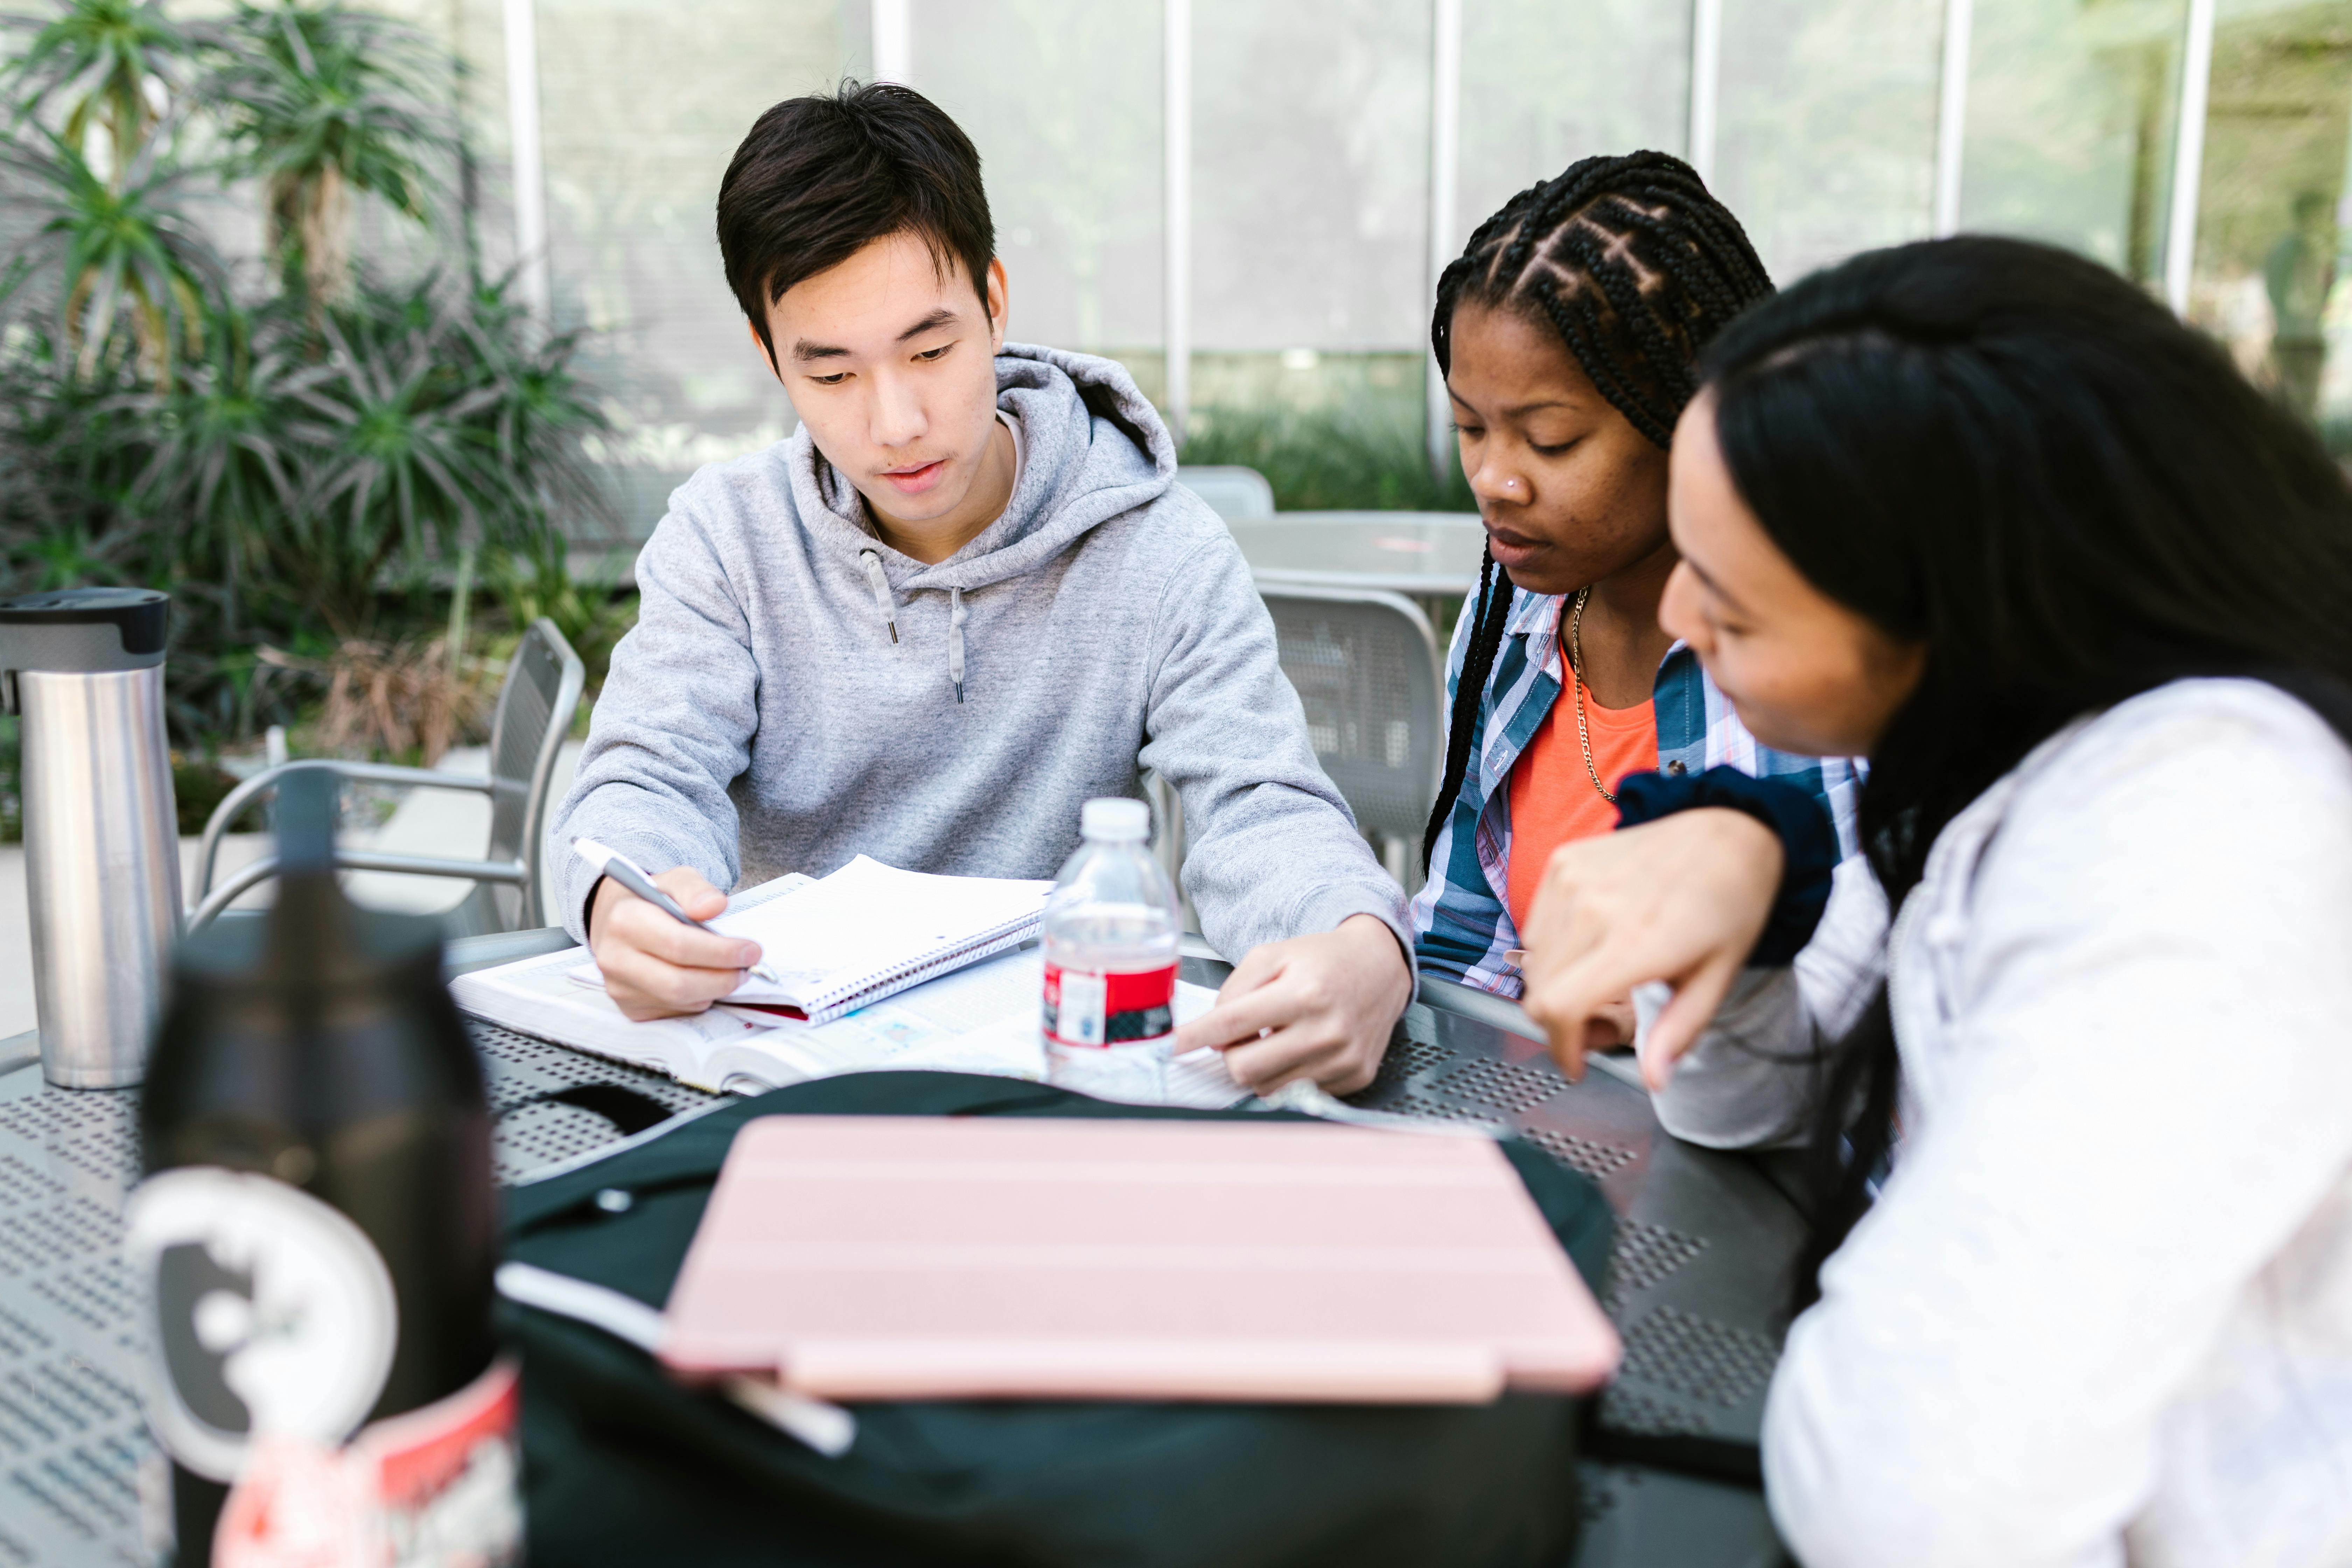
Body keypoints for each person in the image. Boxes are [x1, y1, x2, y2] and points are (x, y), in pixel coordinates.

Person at [1517, 236, 2352, 1567]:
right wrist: (1756, 872)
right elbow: (1737, 1104)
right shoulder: (2003, 766)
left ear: (1961, 614)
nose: (1677, 610)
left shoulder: (2212, 828)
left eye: (1732, 599)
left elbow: (1916, 1490)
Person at [551, 82, 1411, 1093]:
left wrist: (1363, 945)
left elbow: (1262, 806)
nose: (898, 420)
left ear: (995, 303)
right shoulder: (726, 536)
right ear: (768, 355)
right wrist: (626, 899)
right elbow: (643, 781)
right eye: (832, 376)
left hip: (1047, 1073)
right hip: (785, 1076)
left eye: (930, 349)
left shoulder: (1155, 548)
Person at [1412, 151, 1860, 1013]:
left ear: (1691, 417)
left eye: (1549, 442)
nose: (1495, 479)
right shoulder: (1510, 613)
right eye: (1470, 427)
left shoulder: (1820, 651)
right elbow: (1464, 945)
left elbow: (1868, 983)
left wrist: (1679, 1007)